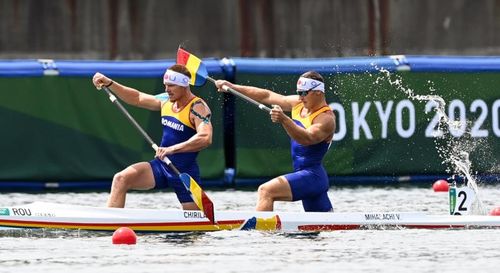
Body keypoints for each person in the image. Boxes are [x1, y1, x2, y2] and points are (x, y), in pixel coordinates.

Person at [92, 64, 213, 210]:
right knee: (121, 179)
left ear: (184, 85)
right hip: (161, 167)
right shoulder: (166, 100)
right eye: (165, 85)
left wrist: (171, 149)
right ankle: (111, 224)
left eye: (171, 86)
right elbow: (137, 98)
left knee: (196, 226)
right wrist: (110, 83)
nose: (167, 90)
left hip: (184, 173)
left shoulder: (198, 107)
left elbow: (205, 137)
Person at [215, 71, 335, 212]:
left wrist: (284, 120)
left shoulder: (326, 119)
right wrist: (232, 86)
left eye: (304, 93)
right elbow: (266, 95)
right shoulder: (298, 104)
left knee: (266, 191)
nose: (301, 97)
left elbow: (307, 139)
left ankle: (261, 233)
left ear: (318, 92)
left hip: (312, 177)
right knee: (324, 228)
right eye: (299, 92)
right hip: (307, 178)